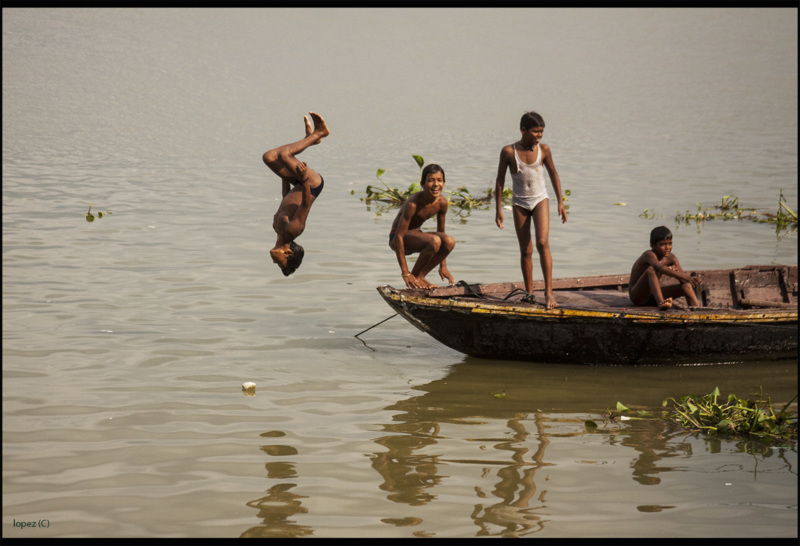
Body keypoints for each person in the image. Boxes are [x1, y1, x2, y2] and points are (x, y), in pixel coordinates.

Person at [495, 111, 567, 309]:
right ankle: (529, 293)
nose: (539, 135)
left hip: (540, 200)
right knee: (526, 249)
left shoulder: (544, 150)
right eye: (536, 131)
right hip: (519, 203)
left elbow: (553, 174)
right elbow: (500, 181)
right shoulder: (509, 152)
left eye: (542, 131)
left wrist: (560, 201)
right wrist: (499, 209)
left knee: (543, 243)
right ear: (523, 130)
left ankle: (549, 293)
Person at [262, 112, 329, 276]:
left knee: (269, 157)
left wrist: (283, 177)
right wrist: (305, 178)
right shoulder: (293, 230)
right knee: (285, 155)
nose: (274, 262)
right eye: (280, 264)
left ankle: (312, 139)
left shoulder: (277, 228)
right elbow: (305, 203)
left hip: (297, 185)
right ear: (288, 253)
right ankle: (319, 133)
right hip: (311, 184)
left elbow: (285, 199)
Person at [389, 164, 455, 289]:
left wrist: (443, 266)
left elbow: (442, 233)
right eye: (430, 180)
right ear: (422, 184)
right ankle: (413, 277)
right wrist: (405, 273)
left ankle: (420, 277)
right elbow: (399, 236)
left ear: (444, 183)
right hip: (397, 238)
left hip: (416, 235)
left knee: (449, 241)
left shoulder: (442, 203)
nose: (436, 184)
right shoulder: (413, 203)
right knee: (434, 241)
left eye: (439, 180)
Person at [628, 226, 702, 310]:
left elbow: (683, 279)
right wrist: (683, 276)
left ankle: (698, 312)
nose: (667, 248)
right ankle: (661, 303)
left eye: (669, 243)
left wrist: (692, 281)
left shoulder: (672, 258)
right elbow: (659, 268)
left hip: (653, 295)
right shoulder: (648, 255)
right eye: (662, 244)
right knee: (651, 270)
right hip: (638, 296)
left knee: (686, 286)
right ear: (652, 245)